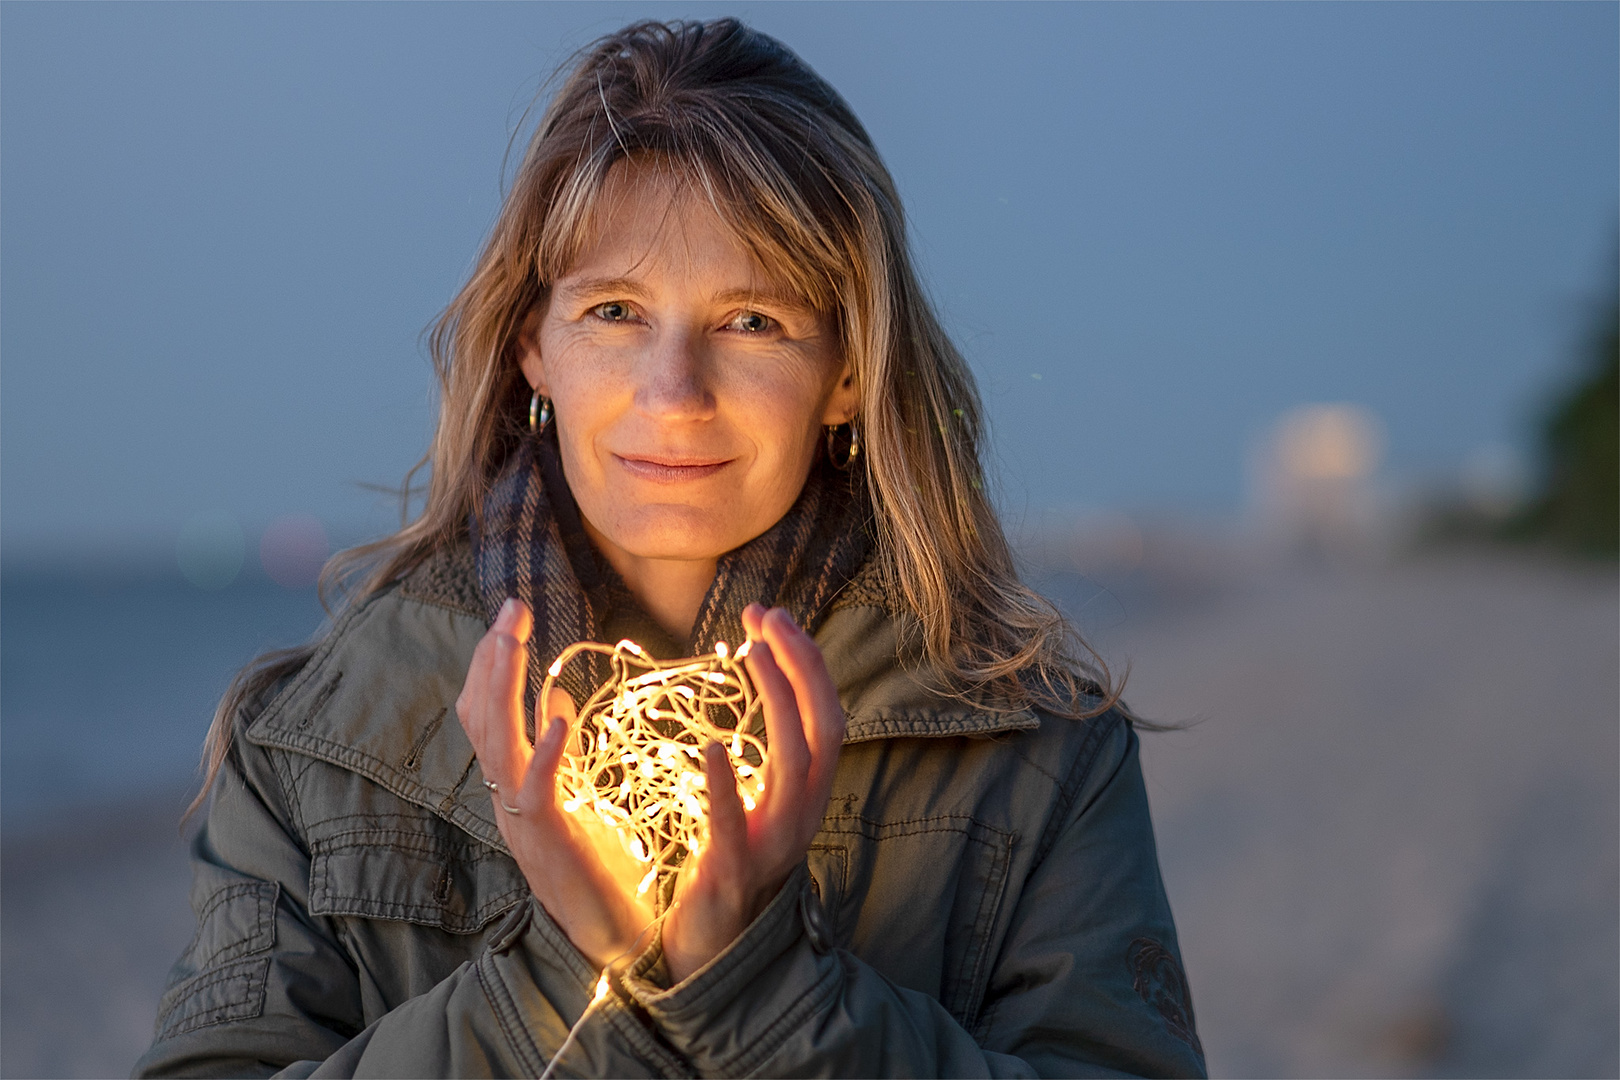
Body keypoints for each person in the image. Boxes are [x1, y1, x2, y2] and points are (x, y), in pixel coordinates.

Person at [136, 18, 1205, 1079]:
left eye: (752, 322)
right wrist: (557, 979)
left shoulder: (1032, 749)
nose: (675, 394)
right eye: (614, 311)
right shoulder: (315, 746)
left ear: (847, 371)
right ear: (532, 348)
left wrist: (754, 977)